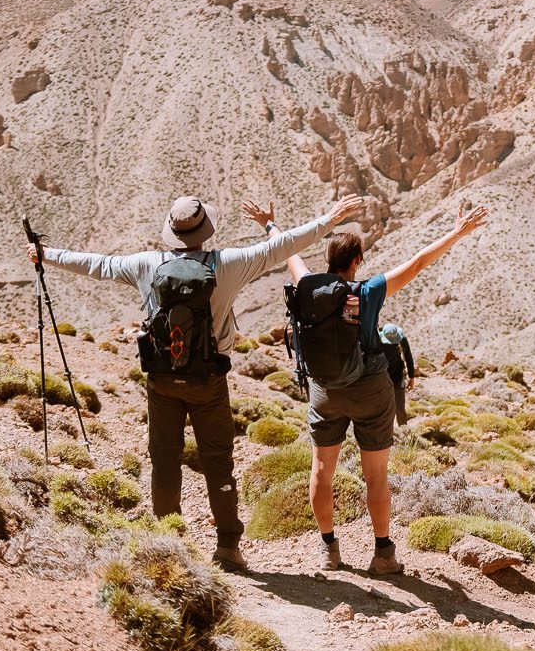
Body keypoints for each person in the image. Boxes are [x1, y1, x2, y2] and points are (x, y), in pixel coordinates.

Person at [28, 192, 363, 569]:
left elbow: (98, 264)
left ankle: (167, 542)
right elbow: (284, 246)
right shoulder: (229, 264)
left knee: (164, 462)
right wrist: (329, 220)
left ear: (171, 231)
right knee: (219, 462)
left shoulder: (146, 265)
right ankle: (227, 547)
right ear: (205, 231)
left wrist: (47, 254)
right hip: (209, 381)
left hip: (162, 380)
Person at [251, 198, 486, 575]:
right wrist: (457, 232)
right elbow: (420, 262)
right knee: (375, 475)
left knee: (321, 471)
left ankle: (328, 548)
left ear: (328, 261)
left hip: (324, 390)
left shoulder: (307, 286)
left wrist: (270, 225)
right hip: (370, 389)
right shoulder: (368, 291)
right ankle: (383, 553)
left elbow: (288, 252)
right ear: (357, 260)